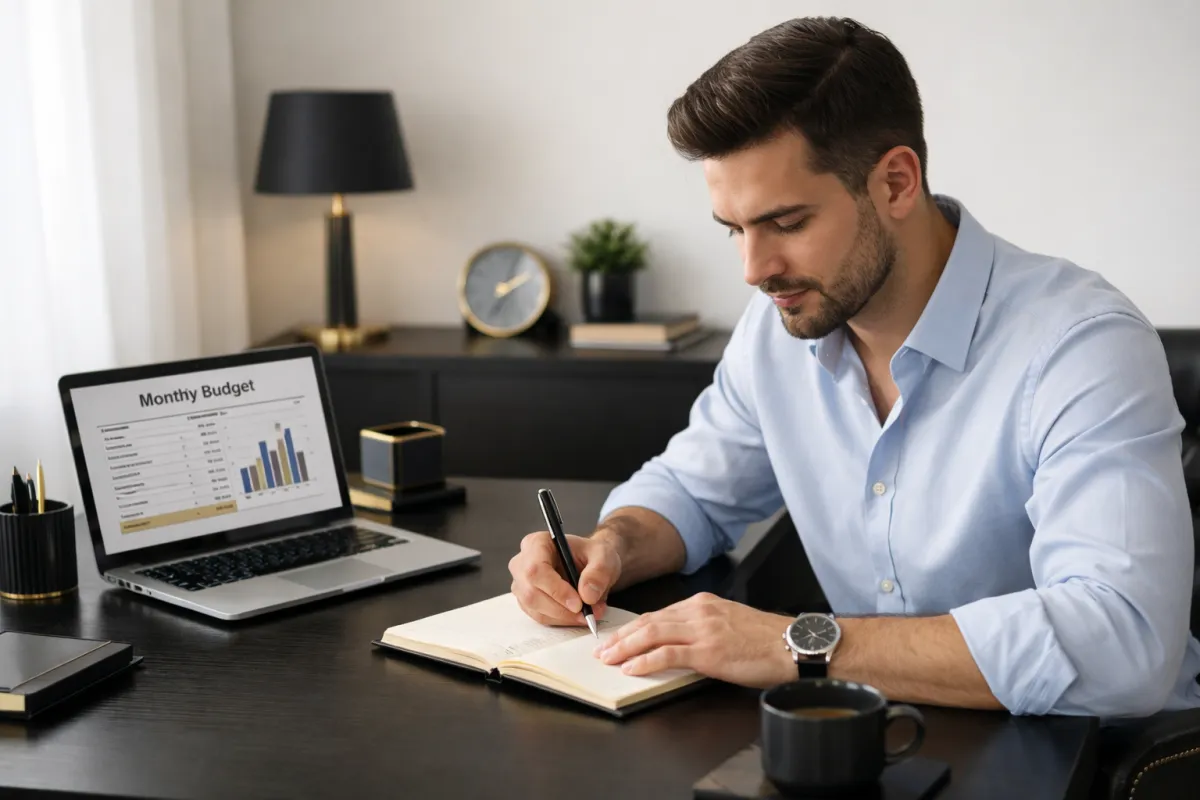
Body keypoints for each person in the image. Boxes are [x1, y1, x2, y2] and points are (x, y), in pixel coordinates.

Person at [507, 16, 1200, 717]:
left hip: (1095, 759)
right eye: (734, 230)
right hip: (892, 735)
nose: (754, 270)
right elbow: (691, 490)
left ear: (896, 182)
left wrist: (797, 644)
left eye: (786, 223)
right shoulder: (778, 327)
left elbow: (1122, 645)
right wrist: (607, 547)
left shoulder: (1081, 345)